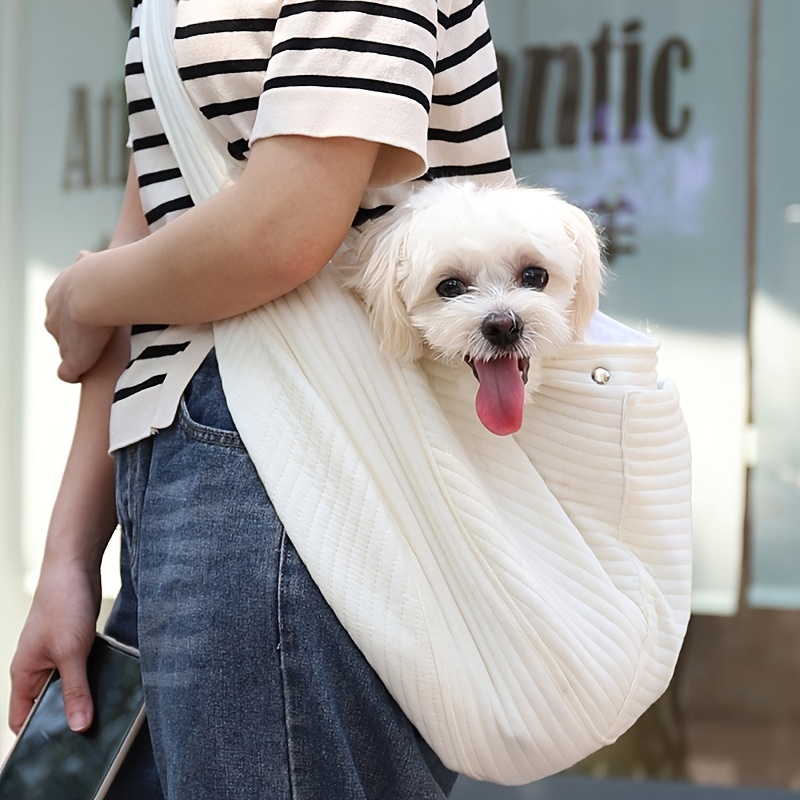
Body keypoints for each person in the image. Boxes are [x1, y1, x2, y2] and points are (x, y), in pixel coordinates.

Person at [9, 1, 514, 797]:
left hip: (307, 463)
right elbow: (152, 234)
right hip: (174, 467)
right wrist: (70, 557)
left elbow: (282, 230)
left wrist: (79, 296)